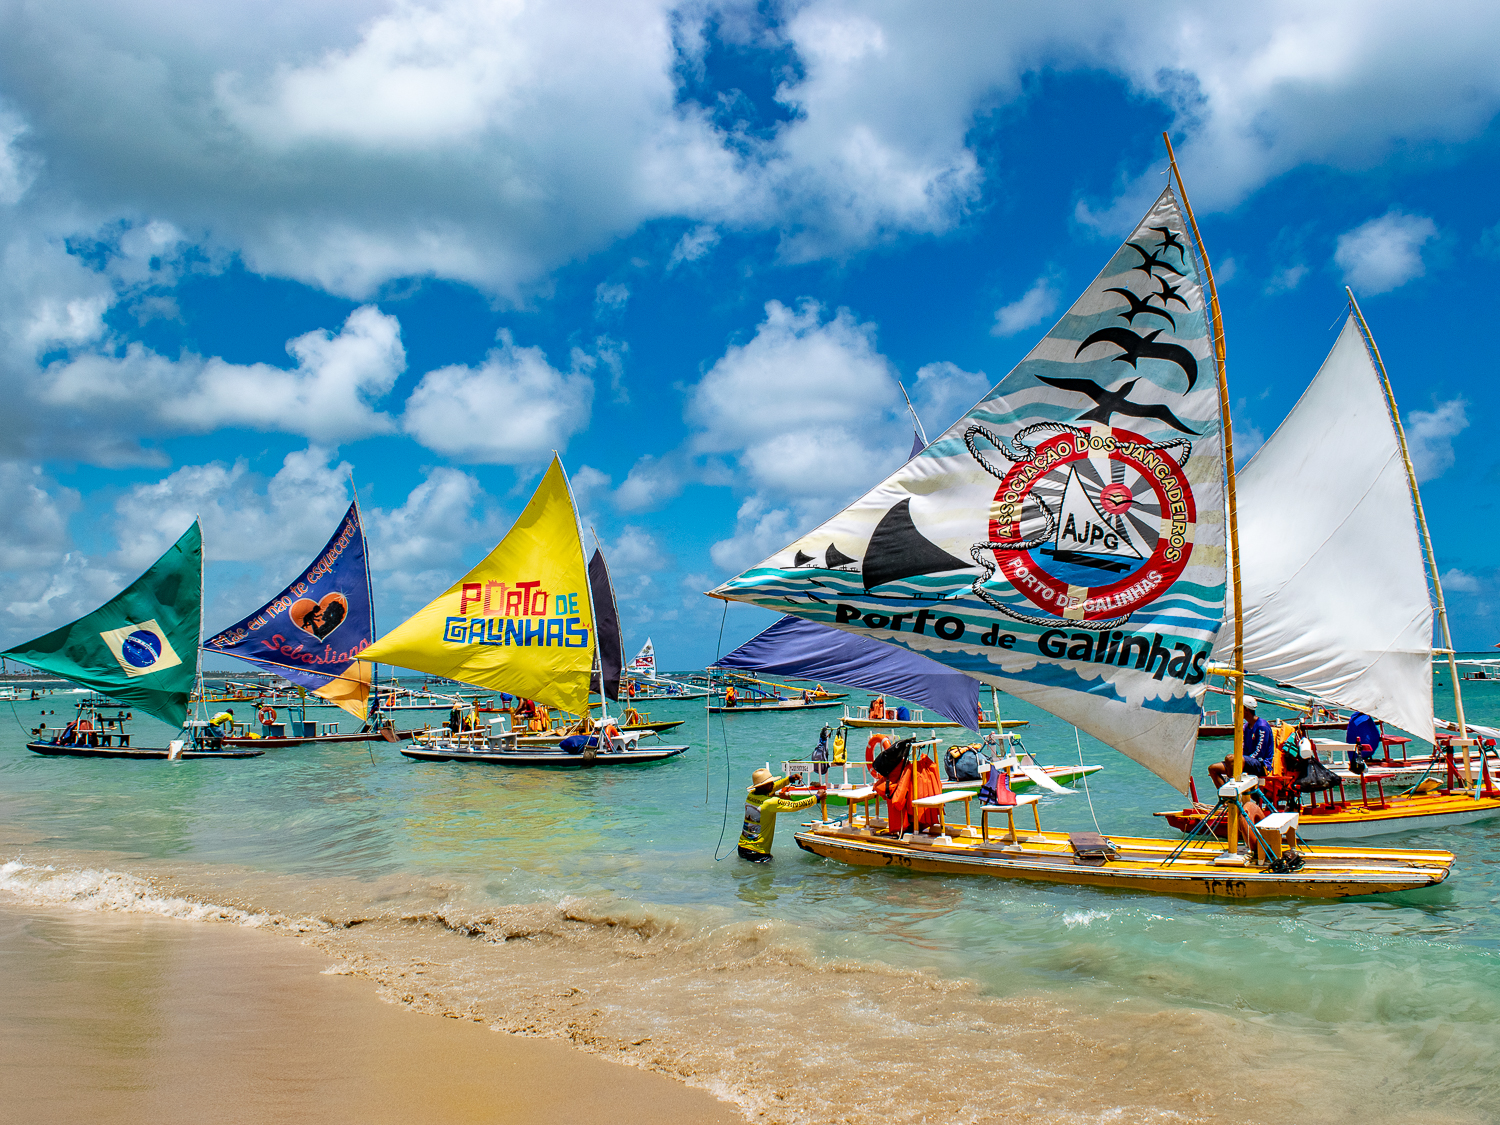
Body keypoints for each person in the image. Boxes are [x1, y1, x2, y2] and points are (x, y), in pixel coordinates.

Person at [738, 768, 814, 863]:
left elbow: (771, 788)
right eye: (770, 782)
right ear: (762, 786)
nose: (773, 784)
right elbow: (795, 806)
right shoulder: (770, 803)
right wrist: (817, 798)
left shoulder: (751, 795)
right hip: (758, 853)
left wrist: (789, 779)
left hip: (742, 848)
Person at [1208, 696, 1274, 788]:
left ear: (1246, 710)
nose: (1236, 710)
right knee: (1213, 768)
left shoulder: (1262, 726)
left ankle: (1233, 789)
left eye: (1238, 707)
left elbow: (1260, 753)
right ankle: (1226, 799)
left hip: (1261, 764)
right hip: (1246, 761)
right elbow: (1244, 749)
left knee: (1230, 758)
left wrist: (1239, 761)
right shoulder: (1246, 726)